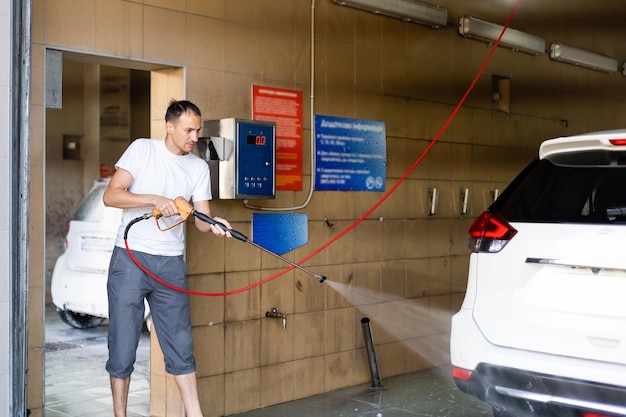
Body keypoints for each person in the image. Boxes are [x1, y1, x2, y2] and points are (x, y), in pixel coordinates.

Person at [103, 99, 231, 417]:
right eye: (188, 130)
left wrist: (217, 225)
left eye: (197, 130)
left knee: (180, 342)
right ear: (169, 127)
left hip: (170, 263)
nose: (194, 137)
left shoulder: (198, 167)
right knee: (123, 342)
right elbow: (111, 195)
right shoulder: (142, 150)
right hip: (130, 258)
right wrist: (155, 199)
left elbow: (202, 220)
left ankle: (195, 414)